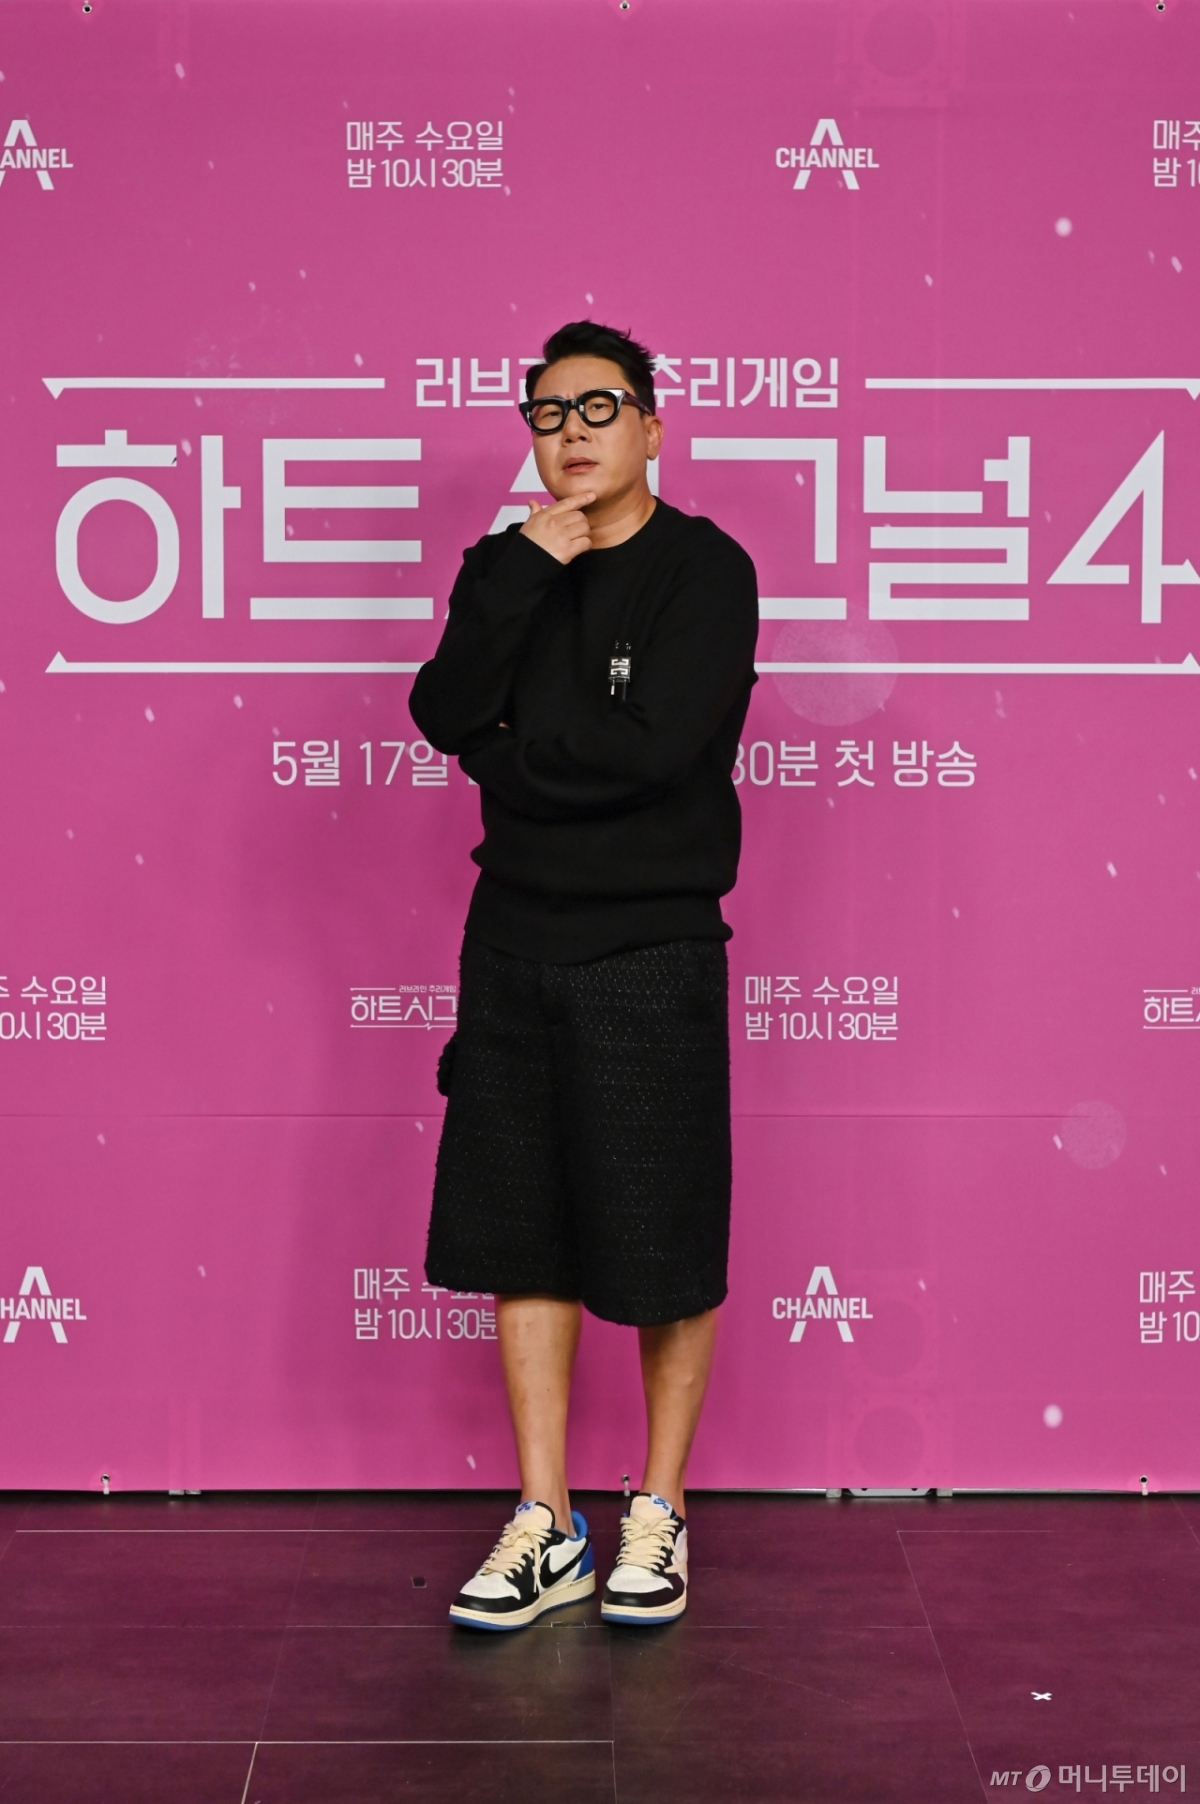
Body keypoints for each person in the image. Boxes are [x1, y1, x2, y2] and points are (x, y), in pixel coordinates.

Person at [409, 320, 758, 1631]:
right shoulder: (506, 566)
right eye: (549, 414)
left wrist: (508, 762)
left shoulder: (704, 570)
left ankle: (658, 1508)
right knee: (526, 1231)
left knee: (666, 1234)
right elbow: (443, 710)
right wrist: (520, 577)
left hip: (650, 942)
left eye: (600, 408)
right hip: (511, 938)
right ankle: (546, 1521)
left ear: (653, 427)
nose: (573, 433)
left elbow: (654, 752)